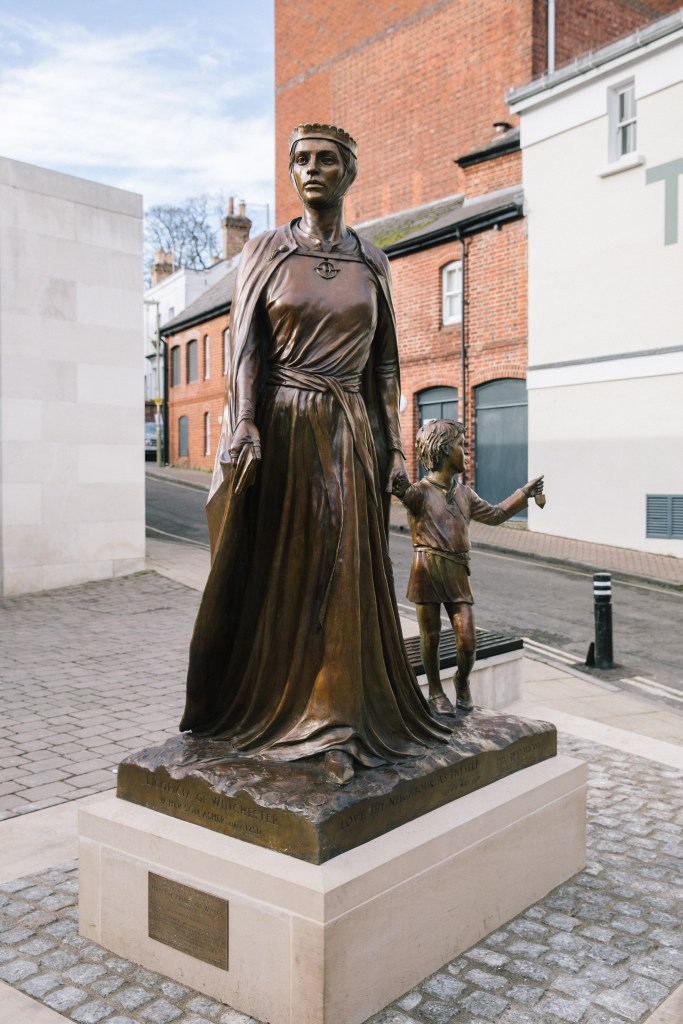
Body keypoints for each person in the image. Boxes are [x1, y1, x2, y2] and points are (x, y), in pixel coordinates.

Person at [180, 124, 450, 784]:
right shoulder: (267, 252)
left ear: (348, 172)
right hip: (283, 427)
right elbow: (247, 349)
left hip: (350, 430)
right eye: (300, 159)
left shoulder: (372, 260)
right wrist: (246, 421)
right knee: (286, 566)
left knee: (344, 563)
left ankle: (340, 715)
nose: (311, 169)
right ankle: (282, 704)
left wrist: (394, 448)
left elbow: (385, 365)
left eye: (326, 160)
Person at [392, 420, 544, 715]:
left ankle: (461, 681)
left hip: (458, 573)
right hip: (426, 572)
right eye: (462, 446)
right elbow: (400, 489)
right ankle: (435, 692)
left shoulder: (465, 494)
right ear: (442, 450)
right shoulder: (419, 493)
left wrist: (524, 494)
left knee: (467, 642)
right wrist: (396, 475)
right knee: (430, 637)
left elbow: (497, 514)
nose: (467, 452)